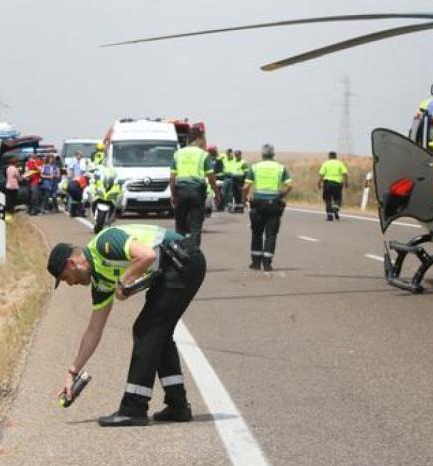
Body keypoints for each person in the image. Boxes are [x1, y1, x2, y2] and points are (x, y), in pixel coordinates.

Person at [47, 224, 206, 426]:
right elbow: (94, 330)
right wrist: (72, 373)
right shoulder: (100, 281)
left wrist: (123, 282)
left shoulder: (105, 243)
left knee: (145, 330)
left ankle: (134, 408)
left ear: (71, 263)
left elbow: (147, 255)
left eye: (65, 278)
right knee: (158, 334)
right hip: (174, 266)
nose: (70, 284)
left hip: (184, 258)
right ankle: (178, 405)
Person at [244, 144, 292, 271]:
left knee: (256, 233)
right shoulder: (281, 168)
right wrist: (281, 194)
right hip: (274, 204)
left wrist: (245, 198)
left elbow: (246, 187)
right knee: (271, 235)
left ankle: (255, 263)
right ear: (273, 154)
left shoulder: (254, 167)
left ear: (262, 154)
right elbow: (289, 186)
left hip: (258, 204)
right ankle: (267, 263)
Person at [170, 127, 219, 245]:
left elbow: (172, 178)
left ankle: (180, 253)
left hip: (181, 192)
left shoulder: (178, 154)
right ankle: (194, 255)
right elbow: (211, 177)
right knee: (195, 227)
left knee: (180, 226)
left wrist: (173, 195)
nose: (203, 142)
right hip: (197, 192)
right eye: (203, 139)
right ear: (198, 139)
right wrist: (217, 193)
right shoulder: (203, 155)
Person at [318, 151, 348, 221]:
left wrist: (319, 183)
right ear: (335, 156)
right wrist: (346, 183)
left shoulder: (325, 163)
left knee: (327, 199)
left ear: (329, 156)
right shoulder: (340, 163)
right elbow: (345, 173)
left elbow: (321, 174)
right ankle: (335, 209)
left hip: (327, 183)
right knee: (337, 198)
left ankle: (329, 216)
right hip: (337, 184)